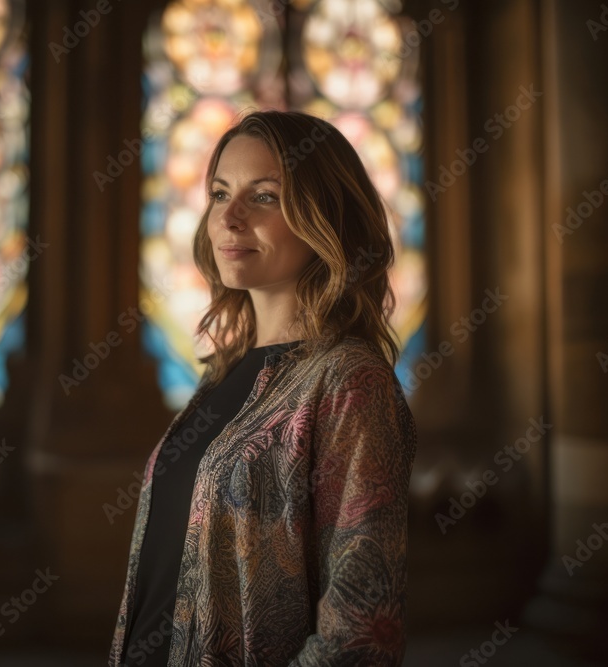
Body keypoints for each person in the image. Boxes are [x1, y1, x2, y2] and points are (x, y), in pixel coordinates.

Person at [108, 109, 418, 666]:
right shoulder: (224, 371)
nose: (229, 217)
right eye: (220, 192)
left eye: (265, 197)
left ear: (324, 216)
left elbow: (360, 634)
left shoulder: (350, 381)